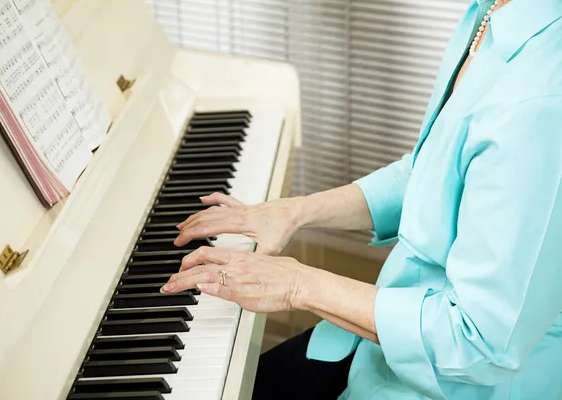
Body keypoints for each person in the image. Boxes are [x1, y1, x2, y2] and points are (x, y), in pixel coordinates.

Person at [162, 0, 562, 398]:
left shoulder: (538, 102)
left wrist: (296, 284)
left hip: (456, 379)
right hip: (388, 339)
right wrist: (292, 211)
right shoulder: (491, 12)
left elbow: (479, 342)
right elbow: (432, 173)